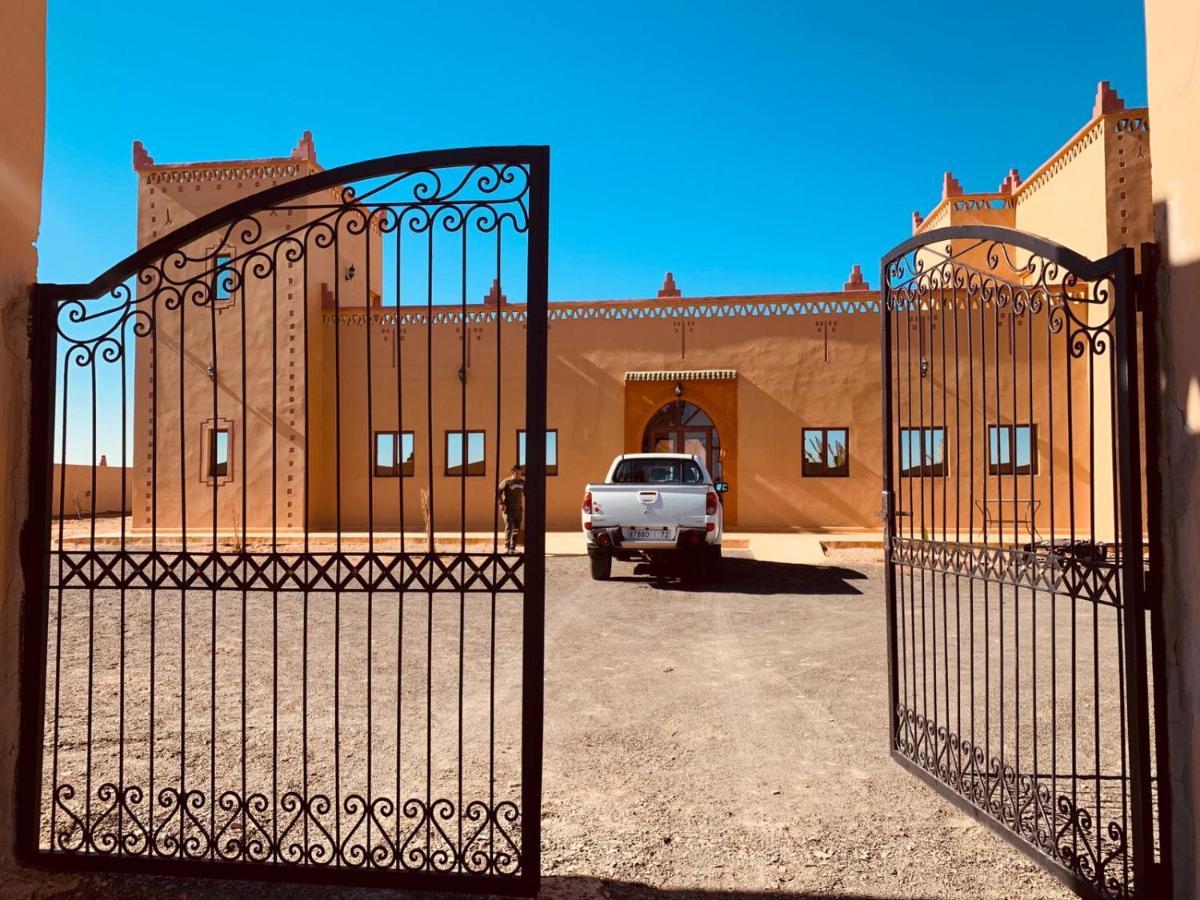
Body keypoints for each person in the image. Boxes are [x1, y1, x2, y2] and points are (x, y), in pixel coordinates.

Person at [497, 464, 525, 553]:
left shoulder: (522, 482)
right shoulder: (506, 482)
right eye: (517, 473)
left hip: (518, 509)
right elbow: (498, 492)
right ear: (513, 473)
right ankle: (506, 546)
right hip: (508, 509)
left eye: (520, 473)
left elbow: (527, 492)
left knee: (517, 528)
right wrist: (501, 503)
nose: (519, 475)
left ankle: (513, 548)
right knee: (509, 527)